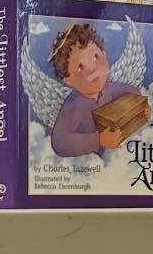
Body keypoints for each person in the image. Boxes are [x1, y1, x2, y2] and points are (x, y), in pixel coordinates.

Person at [47, 23, 147, 159]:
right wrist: (98, 140)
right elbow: (59, 142)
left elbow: (132, 91)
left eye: (95, 57)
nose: (93, 69)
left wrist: (142, 107)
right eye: (80, 66)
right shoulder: (74, 105)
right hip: (88, 165)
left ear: (104, 55)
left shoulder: (109, 88)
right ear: (68, 80)